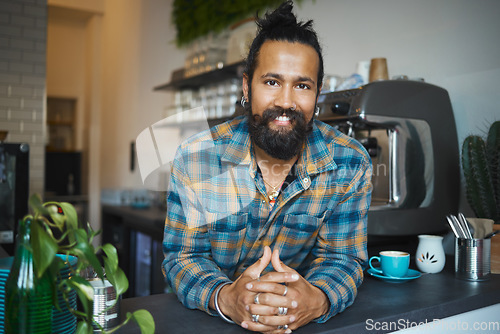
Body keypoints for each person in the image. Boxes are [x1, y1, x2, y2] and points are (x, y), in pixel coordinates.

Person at [162, 1, 372, 333]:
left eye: (302, 85)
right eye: (272, 82)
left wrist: (315, 299)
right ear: (247, 87)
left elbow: (342, 260)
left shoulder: (350, 162)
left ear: (317, 93)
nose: (286, 101)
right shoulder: (196, 158)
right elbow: (182, 257)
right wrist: (227, 297)